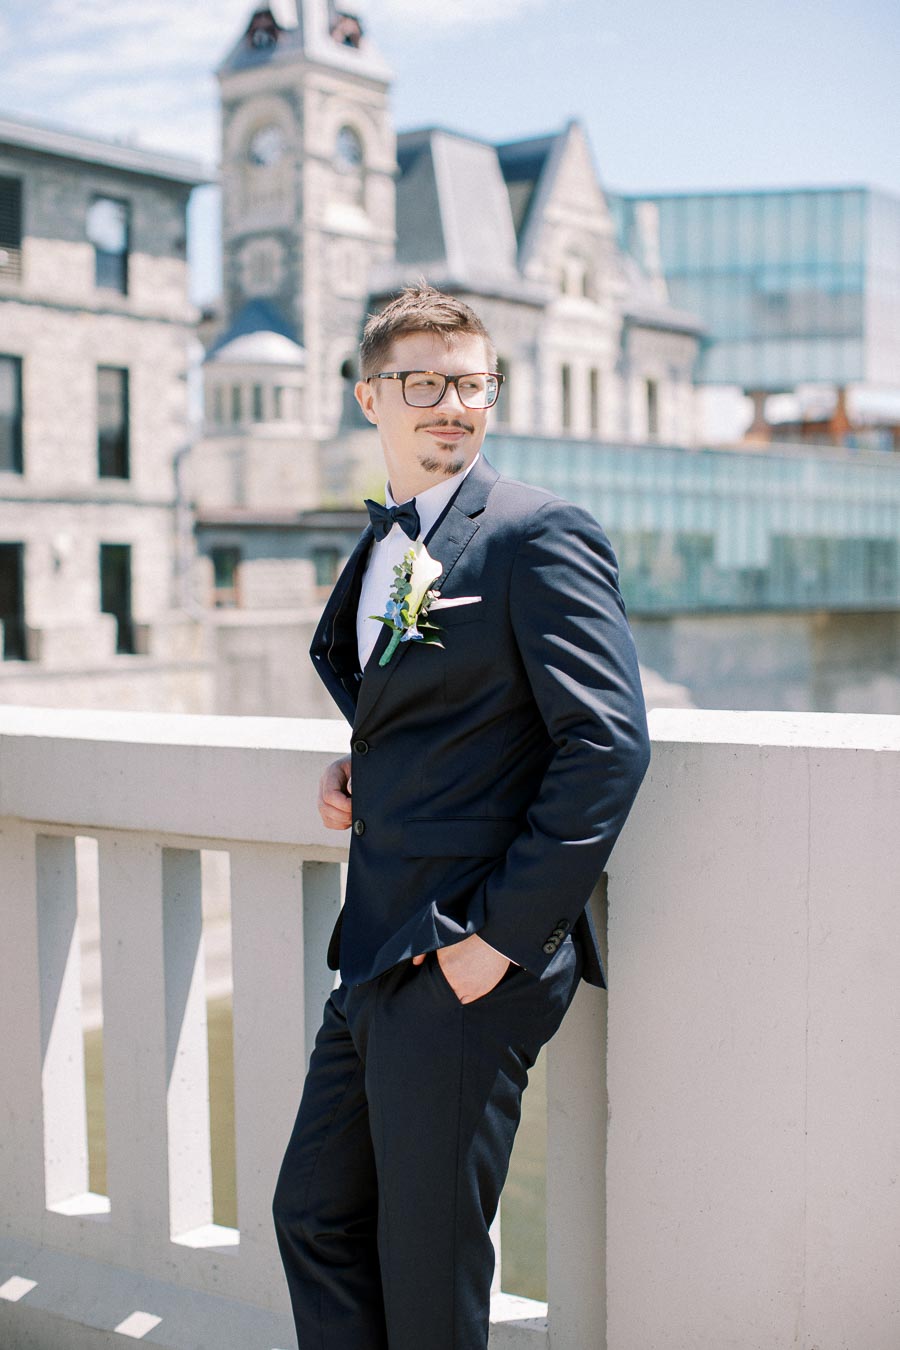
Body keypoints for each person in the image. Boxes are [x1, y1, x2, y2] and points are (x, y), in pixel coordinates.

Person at [273, 285, 651, 1350]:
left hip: (464, 955)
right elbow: (433, 704)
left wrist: (498, 943)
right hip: (376, 946)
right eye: (424, 383)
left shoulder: (537, 533)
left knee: (428, 1268)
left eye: (474, 383)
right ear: (369, 397)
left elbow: (606, 745)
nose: (453, 404)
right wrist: (365, 766)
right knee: (312, 1217)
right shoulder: (384, 548)